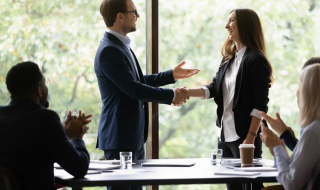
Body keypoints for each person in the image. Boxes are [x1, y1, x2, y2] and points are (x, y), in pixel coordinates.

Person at [95, 0, 199, 179]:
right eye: (134, 12)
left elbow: (137, 81)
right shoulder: (109, 50)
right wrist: (172, 95)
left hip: (130, 137)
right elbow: (134, 89)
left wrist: (171, 75)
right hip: (120, 138)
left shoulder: (119, 46)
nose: (138, 16)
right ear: (120, 16)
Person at [180, 9, 273, 190]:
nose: (226, 25)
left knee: (252, 187)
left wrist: (250, 138)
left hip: (246, 139)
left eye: (231, 21)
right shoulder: (228, 59)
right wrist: (186, 92)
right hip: (225, 137)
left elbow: (260, 105)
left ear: (245, 25)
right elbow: (214, 88)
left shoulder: (256, 60)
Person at [0, 61, 92, 190]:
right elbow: (79, 168)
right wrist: (77, 137)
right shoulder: (46, 119)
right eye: (45, 83)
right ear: (39, 90)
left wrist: (63, 134)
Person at [260, 64, 320, 190]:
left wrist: (277, 148)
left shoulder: (314, 130)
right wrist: (281, 144)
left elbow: (291, 184)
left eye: (301, 86)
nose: (297, 92)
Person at [260, 57, 320, 151]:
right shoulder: (311, 124)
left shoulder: (313, 129)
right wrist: (286, 135)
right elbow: (304, 156)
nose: (298, 92)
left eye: (303, 86)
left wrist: (276, 146)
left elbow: (298, 165)